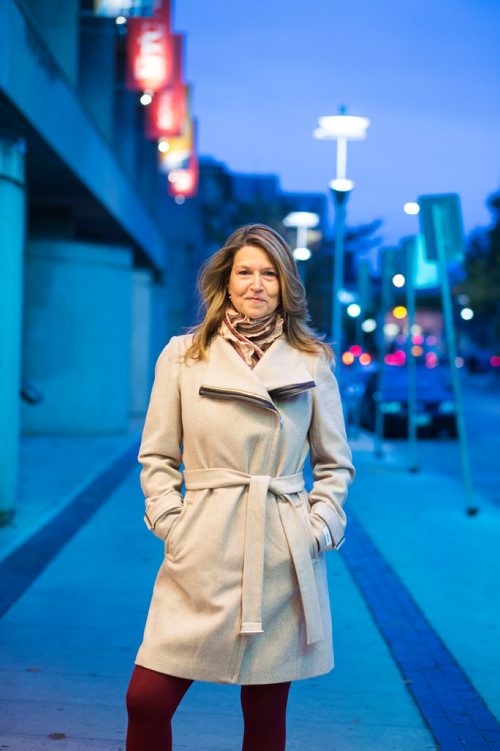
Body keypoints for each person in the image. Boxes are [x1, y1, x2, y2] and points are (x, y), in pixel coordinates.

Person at [126, 223, 355, 750]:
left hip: (279, 546)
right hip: (203, 544)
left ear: (285, 284)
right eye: (245, 272)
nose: (256, 283)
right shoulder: (184, 355)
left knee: (265, 713)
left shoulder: (310, 360)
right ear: (225, 282)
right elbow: (158, 454)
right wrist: (170, 522)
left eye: (269, 273)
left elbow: (335, 463)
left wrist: (316, 528)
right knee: (146, 699)